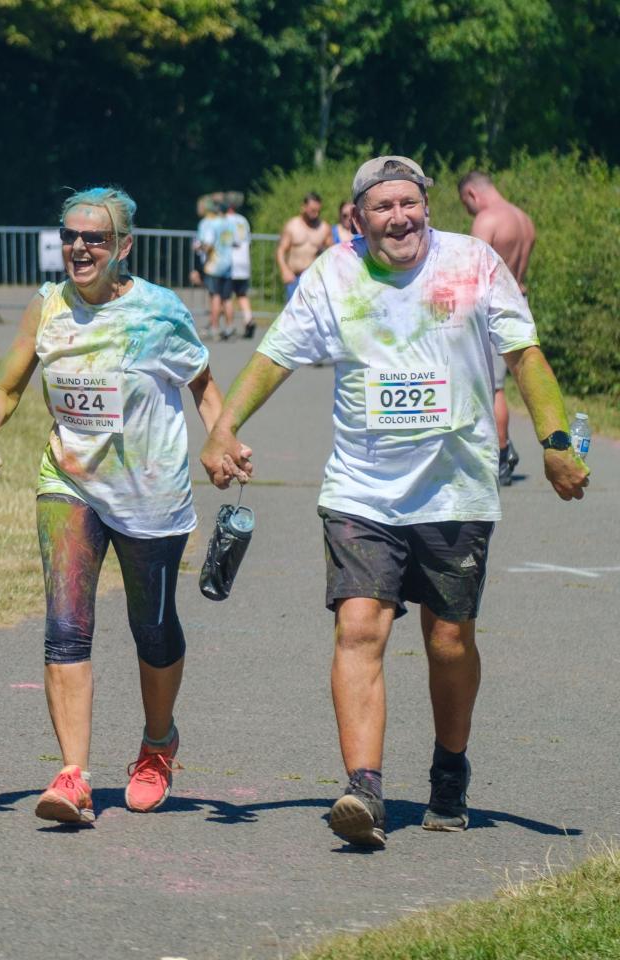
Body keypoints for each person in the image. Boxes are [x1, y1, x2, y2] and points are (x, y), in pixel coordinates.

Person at [201, 156, 588, 849]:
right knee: (358, 628)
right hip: (361, 490)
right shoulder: (334, 274)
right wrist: (226, 426)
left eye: (410, 203)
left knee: (448, 641)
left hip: (455, 489)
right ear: (358, 217)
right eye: (384, 207)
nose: (400, 217)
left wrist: (555, 439)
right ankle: (364, 790)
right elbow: (274, 356)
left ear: (429, 207)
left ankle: (449, 768)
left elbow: (525, 355)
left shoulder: (471, 262)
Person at [0, 186, 238, 824]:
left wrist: (222, 437)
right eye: (70, 235)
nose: (79, 247)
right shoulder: (47, 306)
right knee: (66, 627)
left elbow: (202, 385)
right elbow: (7, 388)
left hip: (151, 495)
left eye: (94, 238)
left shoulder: (160, 311)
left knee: (152, 627)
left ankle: (157, 744)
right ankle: (73, 776)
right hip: (68, 483)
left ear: (123, 247)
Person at [459, 171, 538, 486]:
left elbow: (473, 272)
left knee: (492, 388)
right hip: (519, 300)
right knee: (503, 383)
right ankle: (498, 451)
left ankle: (501, 455)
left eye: (467, 205)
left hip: (493, 307)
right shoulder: (523, 219)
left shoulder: (487, 220)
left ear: (472, 195)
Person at [276, 192, 334, 302]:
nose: (316, 214)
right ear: (303, 207)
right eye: (312, 210)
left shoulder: (324, 228)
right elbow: (280, 250)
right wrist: (284, 270)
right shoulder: (292, 225)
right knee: (293, 316)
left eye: (318, 211)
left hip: (314, 280)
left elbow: (332, 252)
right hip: (294, 279)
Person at [199, 197, 238, 340]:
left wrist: (200, 247)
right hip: (228, 264)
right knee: (227, 298)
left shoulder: (213, 224)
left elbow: (208, 244)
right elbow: (235, 242)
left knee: (215, 297)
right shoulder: (230, 224)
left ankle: (215, 328)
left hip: (214, 265)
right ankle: (230, 326)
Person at [224, 194, 255, 339]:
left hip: (230, 262)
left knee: (227, 296)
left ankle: (229, 326)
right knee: (242, 294)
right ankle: (248, 319)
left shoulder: (225, 221)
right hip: (244, 261)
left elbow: (225, 241)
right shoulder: (243, 220)